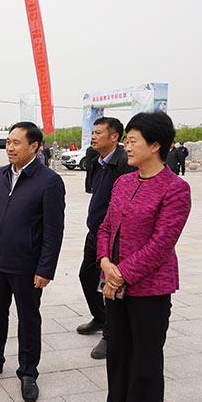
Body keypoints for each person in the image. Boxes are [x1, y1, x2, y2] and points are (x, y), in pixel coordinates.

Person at [0, 122, 65, 402]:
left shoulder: (49, 181)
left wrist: (45, 268)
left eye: (16, 142)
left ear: (34, 146)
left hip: (27, 266)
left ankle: (28, 372)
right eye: (8, 142)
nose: (9, 147)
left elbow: (53, 231)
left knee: (28, 319)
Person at [98, 111, 191, 402]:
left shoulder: (175, 188)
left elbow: (162, 244)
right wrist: (104, 262)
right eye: (126, 139)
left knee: (146, 364)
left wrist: (120, 274)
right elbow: (106, 227)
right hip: (115, 288)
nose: (126, 145)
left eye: (132, 140)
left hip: (149, 291)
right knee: (118, 356)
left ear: (155, 145)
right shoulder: (124, 182)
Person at [77, 117, 136, 359]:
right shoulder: (96, 160)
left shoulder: (124, 163)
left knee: (110, 285)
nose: (93, 136)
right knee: (86, 276)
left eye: (98, 132)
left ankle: (111, 335)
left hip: (113, 237)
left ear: (114, 137)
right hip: (95, 232)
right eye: (92, 132)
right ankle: (100, 318)